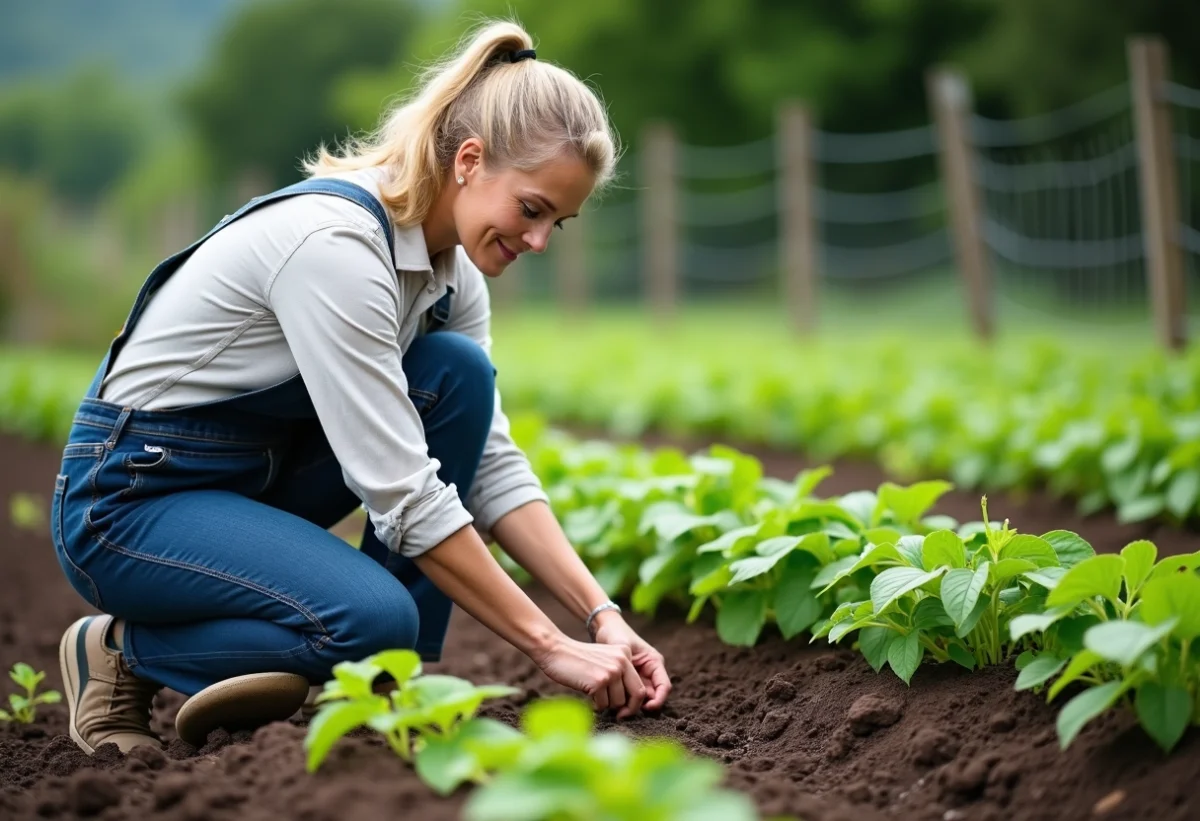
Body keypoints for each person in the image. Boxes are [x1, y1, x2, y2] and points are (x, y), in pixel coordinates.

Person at [50, 19, 671, 755]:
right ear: (469, 161)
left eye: (557, 225)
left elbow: (490, 465)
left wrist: (600, 614)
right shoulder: (336, 248)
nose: (537, 241)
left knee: (457, 378)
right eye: (531, 209)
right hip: (130, 499)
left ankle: (374, 679)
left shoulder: (453, 275)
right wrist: (548, 644)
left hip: (247, 476)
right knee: (372, 621)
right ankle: (121, 649)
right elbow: (405, 492)